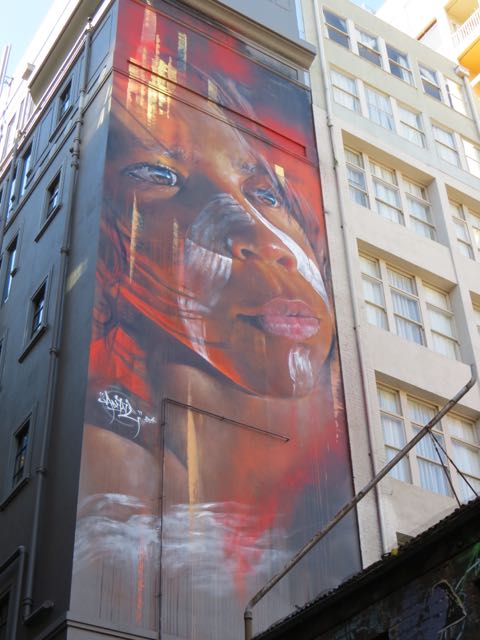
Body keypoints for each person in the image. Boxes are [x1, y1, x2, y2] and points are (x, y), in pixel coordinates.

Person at [72, 15, 357, 637]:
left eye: (263, 190)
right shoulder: (114, 470)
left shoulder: (325, 474)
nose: (266, 241)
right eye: (159, 176)